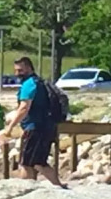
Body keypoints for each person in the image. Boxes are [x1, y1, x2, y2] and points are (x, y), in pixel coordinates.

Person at [4, 57, 67, 188]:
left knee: (27, 163)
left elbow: (24, 108)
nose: (17, 74)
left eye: (20, 70)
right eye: (16, 70)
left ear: (28, 68)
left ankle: (26, 189)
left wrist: (10, 127)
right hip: (47, 127)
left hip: (34, 128)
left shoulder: (29, 84)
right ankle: (58, 186)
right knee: (39, 162)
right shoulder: (39, 82)